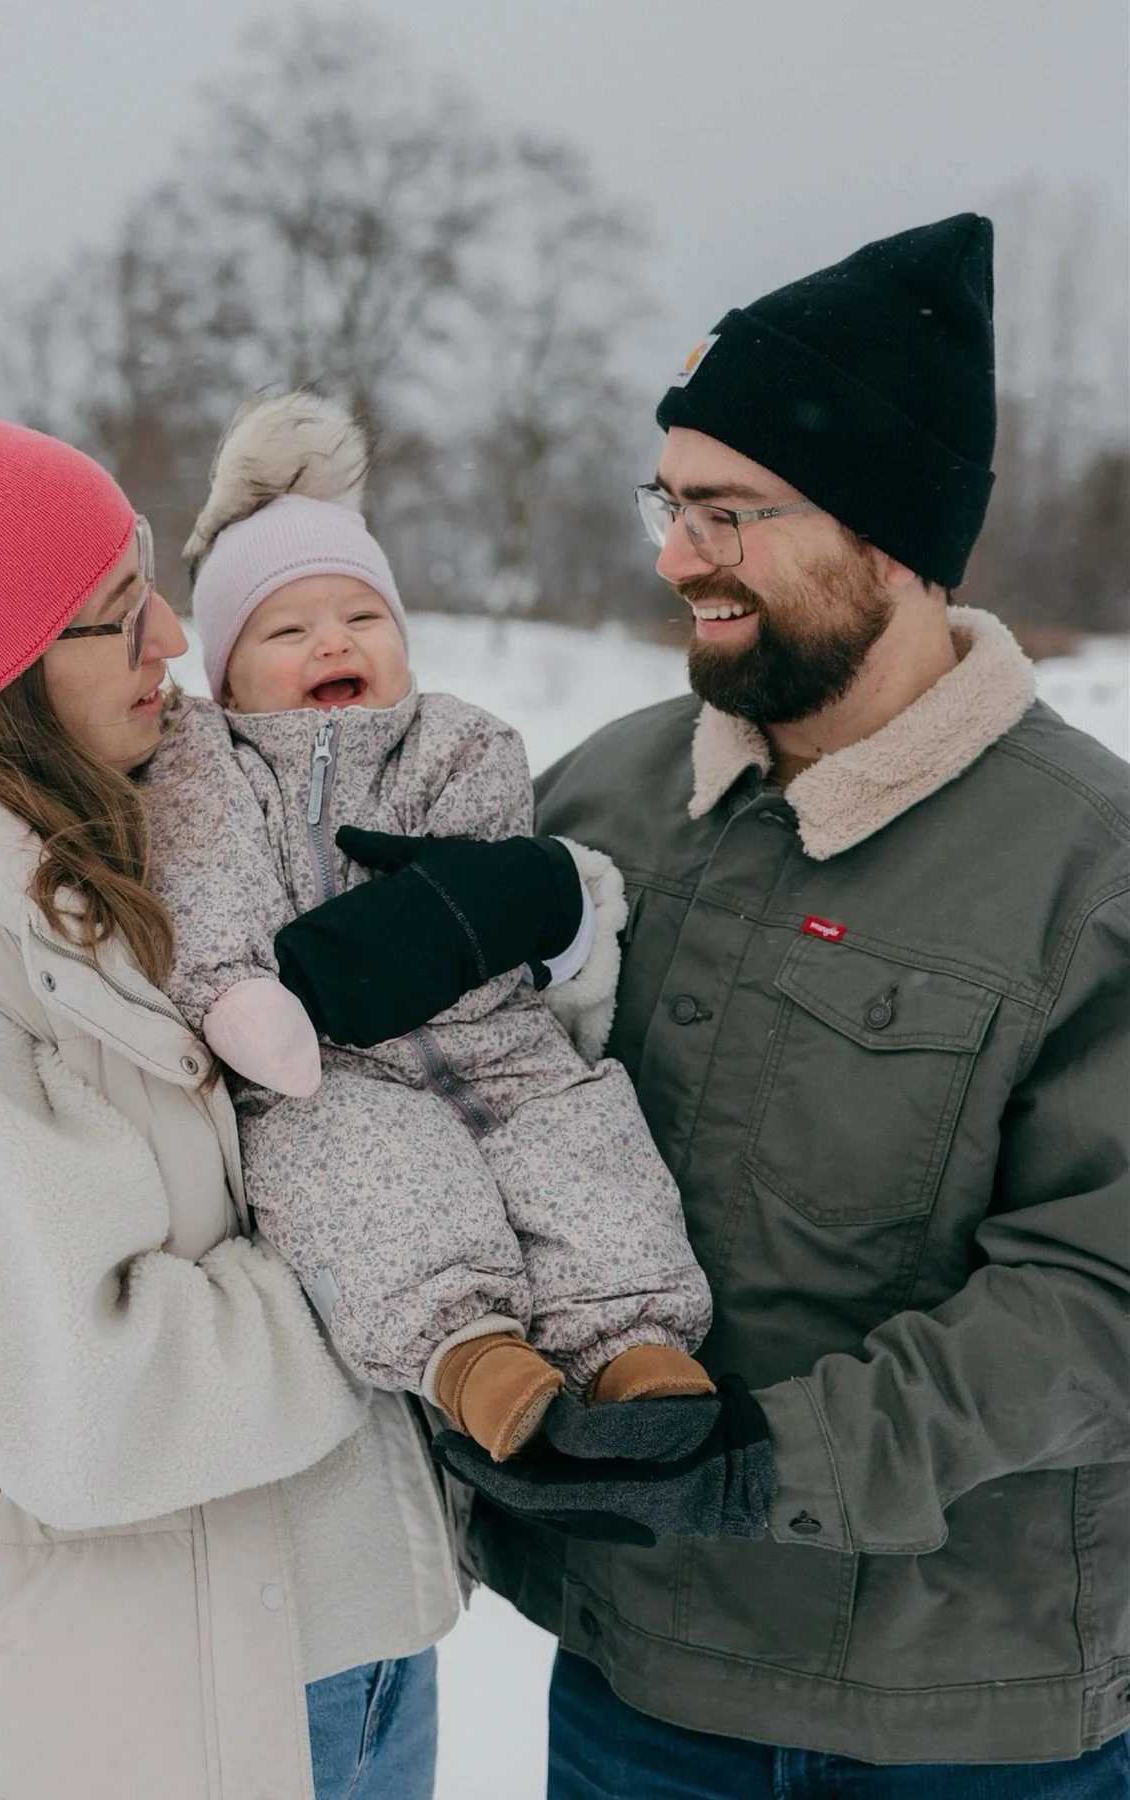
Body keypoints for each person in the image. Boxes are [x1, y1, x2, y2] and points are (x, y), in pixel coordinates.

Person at [0, 229, 590, 1800]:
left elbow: (451, 1030)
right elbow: (97, 1403)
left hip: (355, 1633)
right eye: (116, 613)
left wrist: (537, 920)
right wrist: (407, 1244)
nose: (176, 643)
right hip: (153, 1715)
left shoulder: (162, 824)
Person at [408, 214, 1130, 1794]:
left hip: (967, 1722)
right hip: (636, 1688)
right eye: (668, 502)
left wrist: (765, 1465)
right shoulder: (601, 796)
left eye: (727, 511)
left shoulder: (1093, 871)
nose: (675, 554)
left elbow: (1098, 1302)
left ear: (889, 531)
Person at [143, 393, 715, 1464]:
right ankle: (470, 1353)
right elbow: (204, 889)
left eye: (363, 617)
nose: (332, 640)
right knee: (360, 1175)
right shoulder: (205, 772)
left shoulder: (459, 744)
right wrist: (235, 990)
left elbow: (487, 891)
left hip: (497, 1038)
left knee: (580, 1141)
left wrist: (477, 910)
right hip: (330, 1071)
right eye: (287, 626)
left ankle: (635, 1342)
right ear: (225, 671)